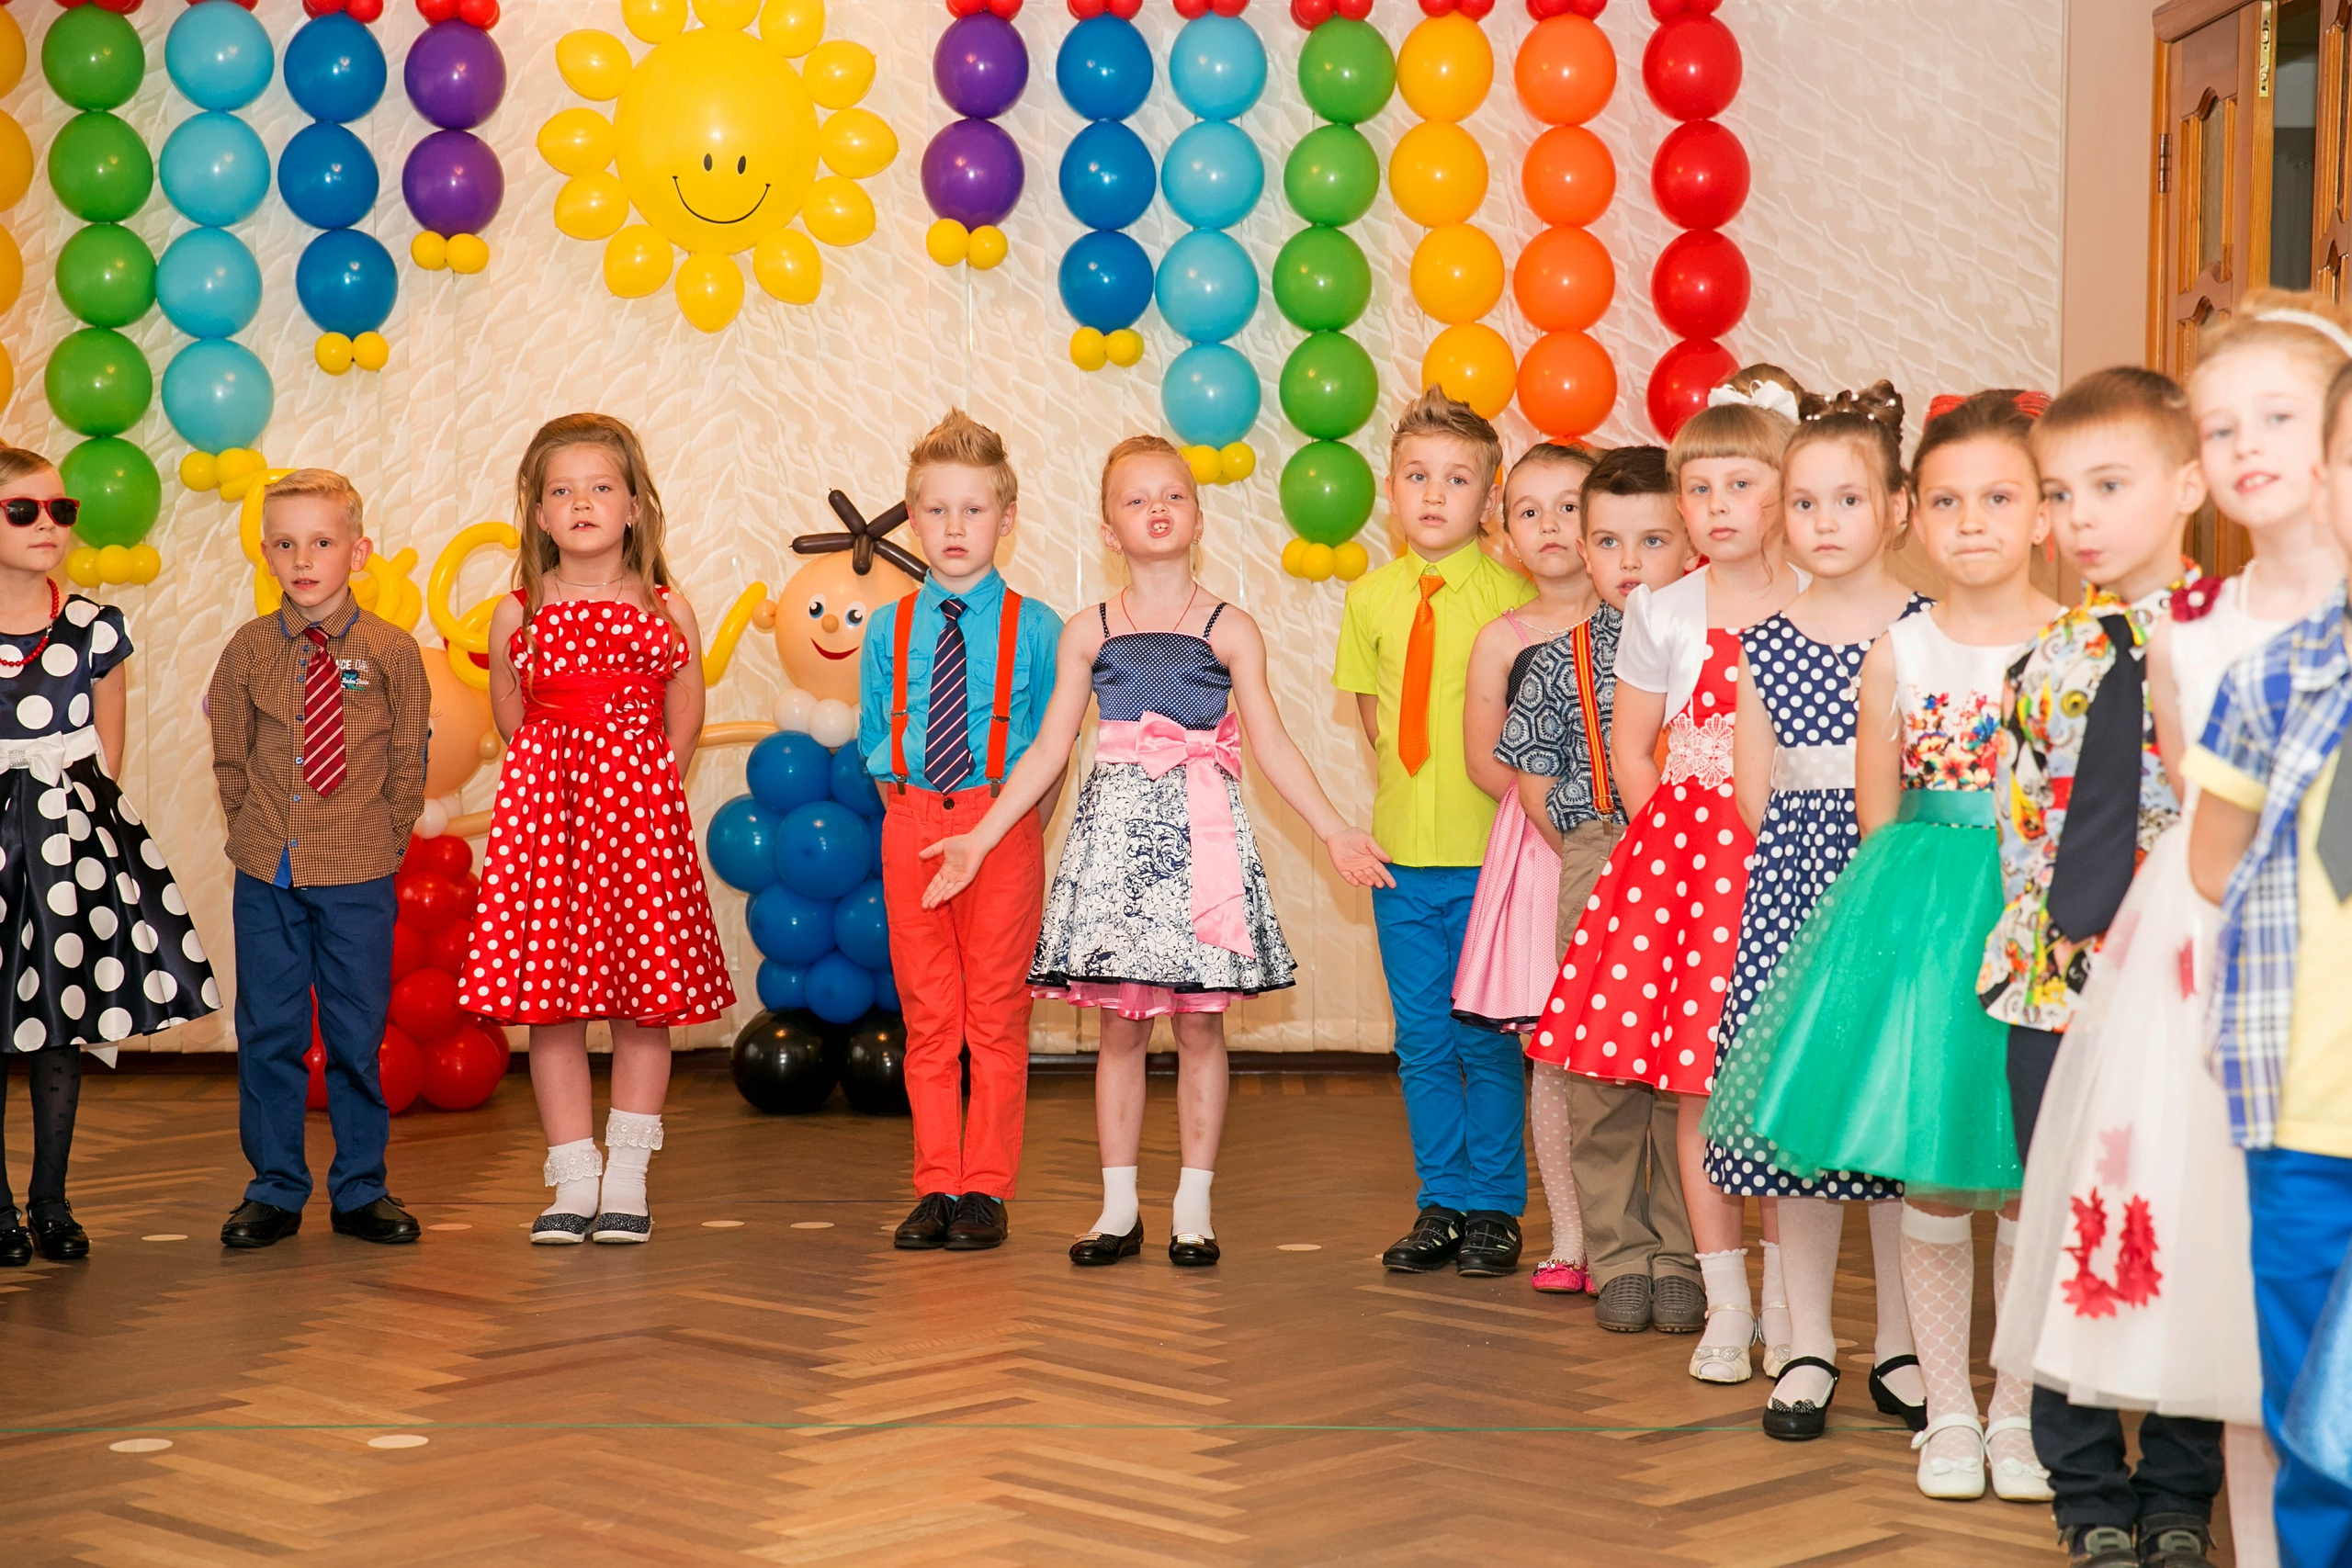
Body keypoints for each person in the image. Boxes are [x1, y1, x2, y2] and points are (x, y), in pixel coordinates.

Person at [1985, 359, 2325, 1568]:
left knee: (2192, 1221)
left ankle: (2180, 1489)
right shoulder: (2043, 651)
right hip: (2055, 984)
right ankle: (2084, 1488)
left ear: (2189, 483)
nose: (2077, 517)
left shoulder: (2237, 633)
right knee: (2062, 1224)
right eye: (2058, 493)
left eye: (2108, 485)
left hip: (2194, 983)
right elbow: (2023, 826)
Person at [921, 436, 1390, 1266]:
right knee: (1120, 1031)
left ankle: (1194, 1208)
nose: (1157, 509)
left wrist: (1334, 827)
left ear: (1199, 517)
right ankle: (1116, 1210)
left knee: (1202, 1029)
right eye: (1135, 500)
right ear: (1109, 531)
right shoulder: (1089, 631)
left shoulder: (1230, 627)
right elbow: (1048, 750)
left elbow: (1272, 743)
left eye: (1172, 494)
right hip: (1116, 855)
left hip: (1202, 846)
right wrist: (981, 837)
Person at [1731, 389, 2063, 1501]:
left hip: (2044, 924)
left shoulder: (2083, 645)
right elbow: (1880, 831)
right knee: (1935, 1166)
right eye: (1950, 501)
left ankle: (2016, 1409)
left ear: (2043, 514)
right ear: (1915, 514)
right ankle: (1950, 1411)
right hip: (1927, 932)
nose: (1973, 523)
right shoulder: (1898, 652)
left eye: (2000, 499)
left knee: (2025, 1175)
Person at [1538, 367, 1805, 1365]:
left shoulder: (1816, 603)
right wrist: (1675, 847)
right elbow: (1634, 745)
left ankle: (1792, 1304)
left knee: (1775, 1085)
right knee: (1690, 1080)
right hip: (1687, 868)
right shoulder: (1665, 610)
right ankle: (1719, 1297)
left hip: (1792, 860)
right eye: (1698, 489)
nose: (1717, 506)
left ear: (1782, 491)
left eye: (1739, 485)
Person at [1698, 385, 1930, 1438]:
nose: (1824, 522)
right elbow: (1755, 795)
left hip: (1907, 897)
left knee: (1892, 1119)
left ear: (1897, 508)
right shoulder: (1766, 642)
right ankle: (1804, 1344)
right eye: (1803, 503)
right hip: (1795, 900)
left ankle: (1901, 1345)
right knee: (1800, 1121)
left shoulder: (1927, 635)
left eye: (1848, 499)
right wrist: (1812, 863)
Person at [467, 414, 732, 1245]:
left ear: (634, 508)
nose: (582, 503)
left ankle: (627, 1177)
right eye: (562, 490)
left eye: (601, 487)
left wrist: (638, 789)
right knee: (552, 1008)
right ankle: (573, 1176)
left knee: (642, 1005)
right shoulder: (516, 614)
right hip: (548, 828)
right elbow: (513, 722)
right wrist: (564, 786)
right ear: (539, 515)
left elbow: (685, 719)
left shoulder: (666, 608)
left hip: (639, 829)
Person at [2188, 340, 2352, 1568]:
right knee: (2317, 1424)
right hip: (2305, 1116)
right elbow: (2214, 859)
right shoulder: (2272, 676)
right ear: (2327, 483)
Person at [1336, 386, 1537, 1279]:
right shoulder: (1369, 598)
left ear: (1487, 499)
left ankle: (1495, 1206)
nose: (1432, 493)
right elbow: (1379, 724)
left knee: (1486, 1039)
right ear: (1391, 488)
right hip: (1400, 867)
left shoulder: (1514, 599)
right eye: (1416, 475)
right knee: (1420, 1040)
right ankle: (1442, 1201)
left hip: (1489, 860)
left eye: (1456, 479)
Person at [858, 411, 1064, 1254]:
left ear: (1006, 519)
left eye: (973, 510)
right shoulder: (886, 627)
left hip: (1001, 824)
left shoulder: (1039, 627)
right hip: (911, 822)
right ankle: (936, 1182)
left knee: (997, 1016)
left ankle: (986, 1188)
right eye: (937, 509)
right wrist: (916, 816)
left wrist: (1003, 829)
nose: (954, 526)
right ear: (912, 517)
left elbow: (1049, 753)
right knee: (930, 1018)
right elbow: (878, 742)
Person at [209, 468, 423, 1251]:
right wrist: (254, 830)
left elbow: (408, 763)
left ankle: (362, 1187)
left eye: (323, 542)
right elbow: (230, 757)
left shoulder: (392, 652)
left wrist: (384, 839)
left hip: (359, 873)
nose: (304, 559)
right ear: (266, 553)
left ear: (357, 552)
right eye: (285, 543)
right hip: (269, 871)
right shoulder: (247, 650)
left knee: (356, 1034)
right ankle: (273, 1188)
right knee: (269, 1030)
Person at [1505, 446, 1693, 1299]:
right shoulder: (1556, 663)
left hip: (1701, 863)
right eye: (1610, 542)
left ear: (1689, 544)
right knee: (1603, 1063)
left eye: (1653, 540)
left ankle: (1684, 1253)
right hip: (1599, 853)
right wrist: (1595, 850)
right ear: (1584, 550)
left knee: (1686, 1061)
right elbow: (1535, 789)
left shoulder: (1715, 651)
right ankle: (1618, 1253)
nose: (1630, 562)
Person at [1452, 442, 1596, 1040]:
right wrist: (1554, 814)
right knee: (1552, 1019)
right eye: (1530, 512)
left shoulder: (1645, 622)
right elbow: (1484, 760)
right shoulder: (1499, 640)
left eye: (1569, 506)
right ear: (1508, 534)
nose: (1550, 525)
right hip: (1539, 841)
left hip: (1633, 828)